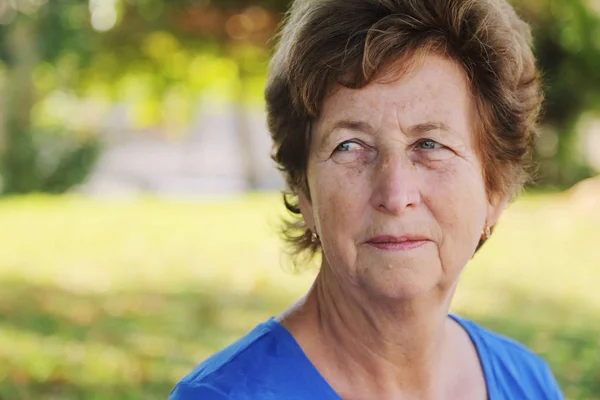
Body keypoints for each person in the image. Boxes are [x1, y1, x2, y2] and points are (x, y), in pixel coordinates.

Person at [170, 0, 564, 398]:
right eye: (350, 146)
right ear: (303, 191)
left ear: (494, 189)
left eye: (429, 144)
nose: (395, 195)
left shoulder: (529, 382)